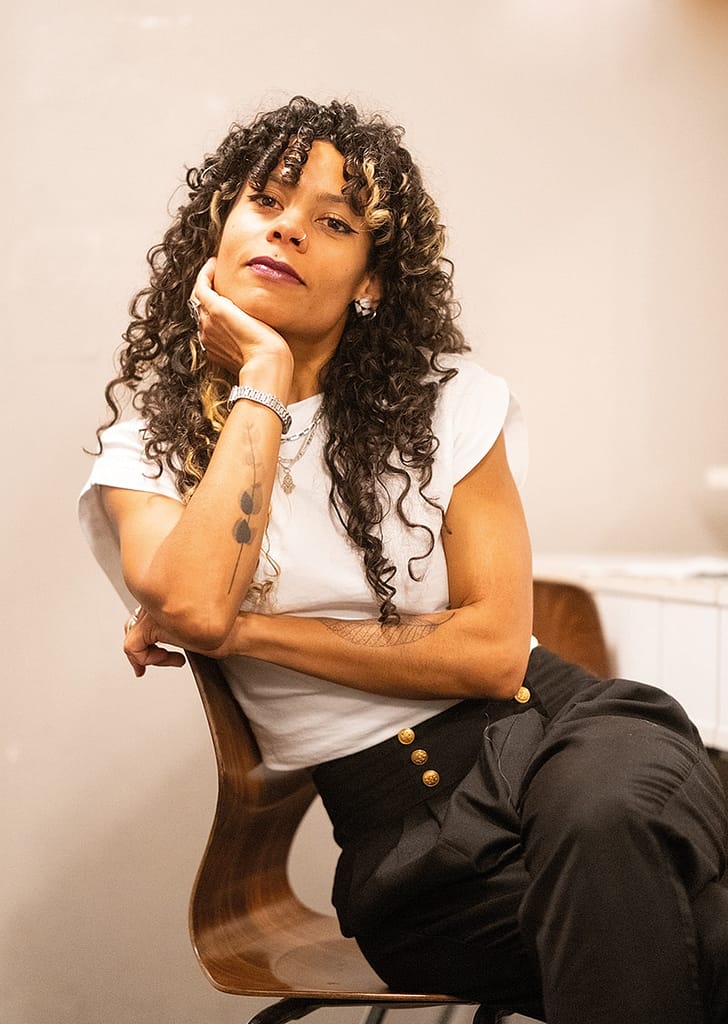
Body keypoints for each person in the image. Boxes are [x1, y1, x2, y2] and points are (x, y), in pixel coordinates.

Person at [79, 96, 728, 1023]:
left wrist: (246, 632)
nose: (289, 229)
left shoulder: (449, 402)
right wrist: (264, 381)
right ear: (217, 228)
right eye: (266, 201)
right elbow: (193, 601)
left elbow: (492, 654)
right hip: (414, 869)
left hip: (574, 745)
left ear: (371, 282)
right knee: (700, 938)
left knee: (602, 821)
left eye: (335, 223)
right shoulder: (146, 450)